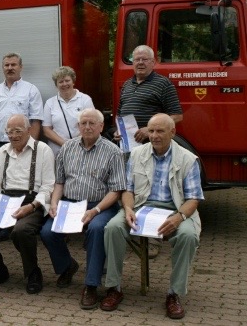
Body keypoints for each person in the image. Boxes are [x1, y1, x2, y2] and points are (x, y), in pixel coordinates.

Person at [101, 114, 203, 320]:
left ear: (173, 132)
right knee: (112, 227)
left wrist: (179, 217)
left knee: (188, 236)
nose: (154, 136)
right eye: (151, 130)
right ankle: (114, 288)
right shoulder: (137, 153)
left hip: (176, 208)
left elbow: (193, 198)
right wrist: (128, 209)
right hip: (140, 207)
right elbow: (127, 189)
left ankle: (174, 294)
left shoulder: (188, 159)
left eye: (160, 131)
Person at [40, 108, 125, 309]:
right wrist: (53, 203)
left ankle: (91, 285)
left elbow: (117, 190)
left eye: (92, 123)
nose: (87, 127)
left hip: (101, 205)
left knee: (96, 229)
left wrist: (95, 211)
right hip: (70, 203)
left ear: (101, 126)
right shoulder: (67, 148)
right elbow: (59, 182)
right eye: (83, 123)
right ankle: (67, 266)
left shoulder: (113, 151)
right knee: (46, 231)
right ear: (78, 126)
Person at [114, 45, 184, 259]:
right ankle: (130, 230)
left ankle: (152, 238)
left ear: (153, 62)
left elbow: (177, 116)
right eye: (136, 59)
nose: (140, 63)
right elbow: (120, 114)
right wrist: (119, 133)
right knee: (128, 188)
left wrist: (149, 130)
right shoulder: (127, 85)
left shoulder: (163, 84)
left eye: (145, 59)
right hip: (128, 149)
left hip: (153, 148)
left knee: (151, 192)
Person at [0, 114, 54, 294]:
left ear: (29, 130)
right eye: (10, 132)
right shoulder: (3, 151)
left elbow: (48, 186)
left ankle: (33, 273)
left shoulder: (43, 150)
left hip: (31, 202)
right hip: (6, 201)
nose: (14, 136)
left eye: (18, 131)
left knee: (21, 230)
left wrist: (33, 206)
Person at [0, 53, 43, 149]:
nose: (10, 68)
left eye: (13, 64)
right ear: (3, 68)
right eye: (6, 65)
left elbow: (35, 121)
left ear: (21, 67)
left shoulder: (31, 90)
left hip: (22, 144)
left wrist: (30, 146)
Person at [42, 66, 94, 154]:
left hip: (81, 148)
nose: (64, 84)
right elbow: (46, 130)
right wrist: (65, 144)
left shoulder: (85, 99)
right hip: (57, 151)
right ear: (56, 84)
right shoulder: (50, 103)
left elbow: (92, 124)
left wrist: (75, 144)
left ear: (73, 81)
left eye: (67, 80)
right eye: (60, 82)